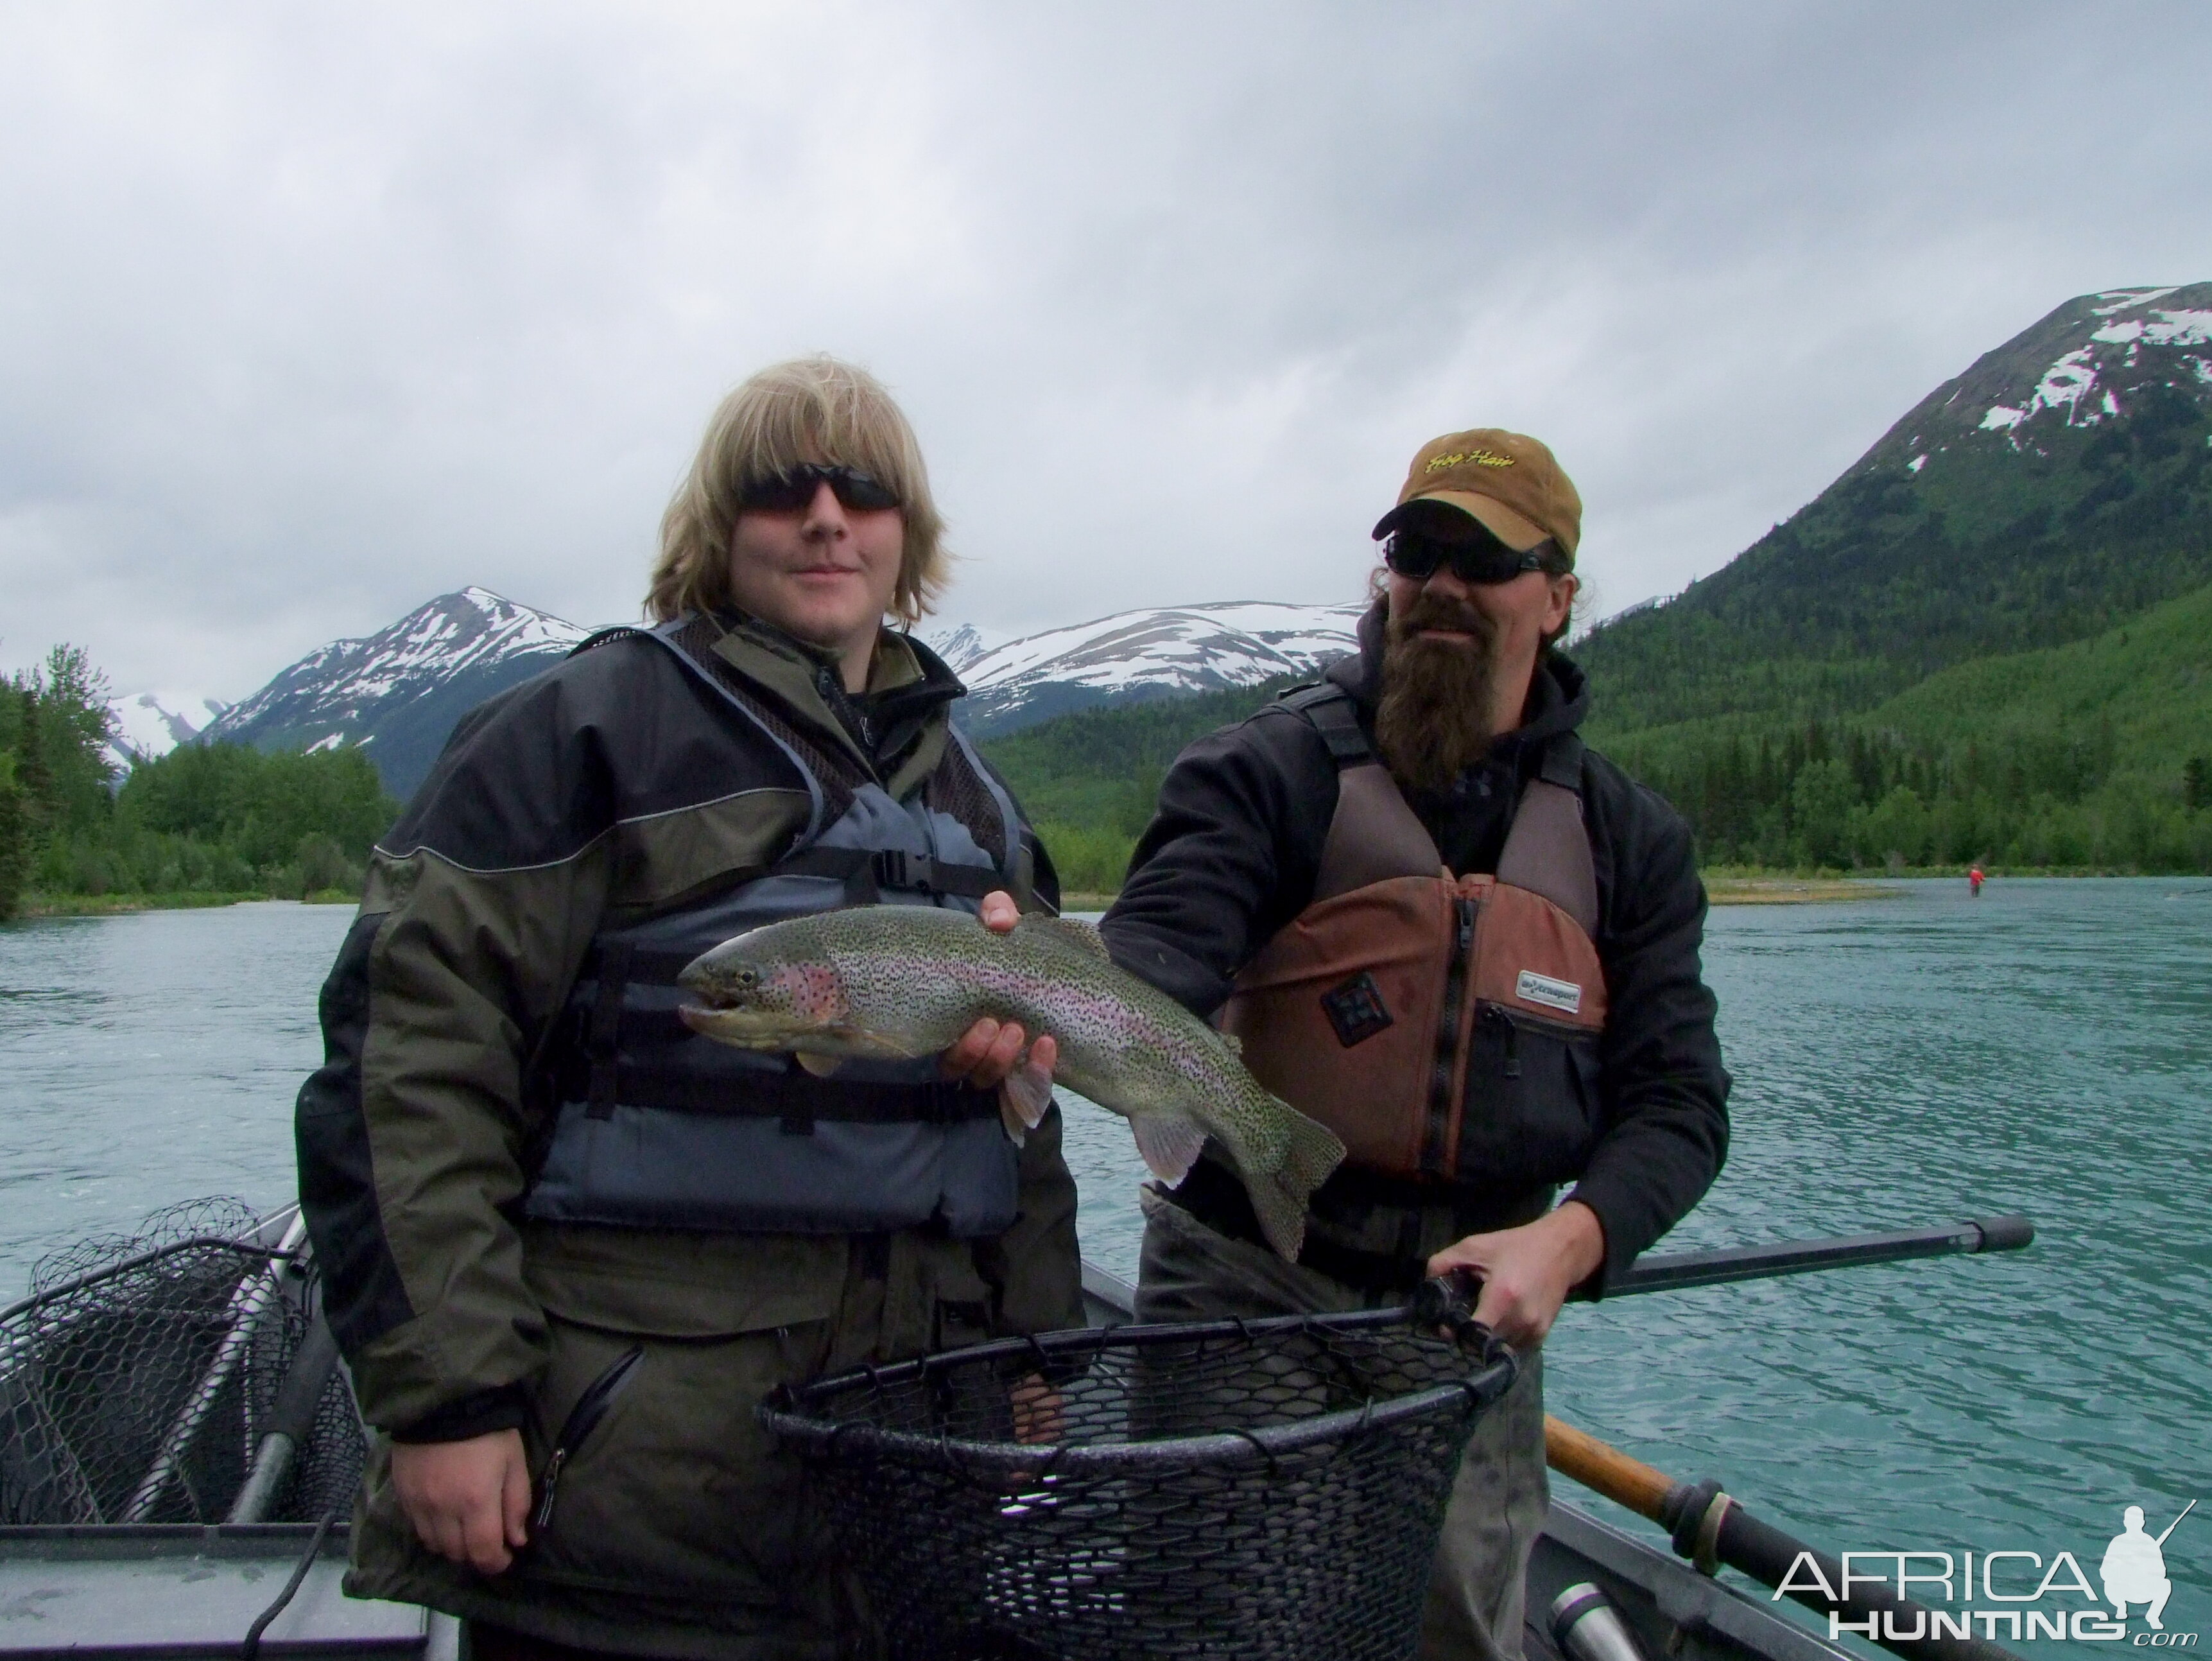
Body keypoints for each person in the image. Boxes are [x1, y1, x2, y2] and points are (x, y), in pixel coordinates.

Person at [296, 356, 1082, 1657]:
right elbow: (406, 1062)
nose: (826, 515)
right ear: (718, 526)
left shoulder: (980, 805)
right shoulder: (574, 733)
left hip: (913, 1496)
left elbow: (1025, 1130)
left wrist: (1041, 1350)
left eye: (865, 488)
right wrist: (446, 1403)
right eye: (781, 486)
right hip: (629, 1506)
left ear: (908, 534)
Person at [1092, 428, 1732, 1661]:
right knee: (1209, 1634)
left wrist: (1573, 1238)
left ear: (1555, 600)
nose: (1440, 583)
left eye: (1483, 559)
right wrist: (1053, 1007)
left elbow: (1678, 1105)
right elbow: (1157, 958)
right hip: (1244, 1286)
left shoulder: (1628, 843)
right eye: (1415, 552)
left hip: (1469, 1326)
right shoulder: (1262, 772)